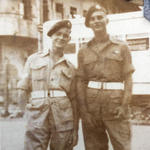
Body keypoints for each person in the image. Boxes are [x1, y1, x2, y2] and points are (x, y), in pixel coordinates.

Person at [76, 5, 134, 150]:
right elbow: (80, 82)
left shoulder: (122, 47)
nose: (97, 21)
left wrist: (124, 105)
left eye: (100, 17)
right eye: (93, 19)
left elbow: (128, 79)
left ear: (107, 20)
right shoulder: (83, 51)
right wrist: (84, 111)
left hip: (115, 107)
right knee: (94, 147)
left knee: (123, 146)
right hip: (92, 109)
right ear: (89, 23)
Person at [16, 20, 78, 150]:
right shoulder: (34, 59)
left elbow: (74, 100)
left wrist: (75, 129)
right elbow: (22, 89)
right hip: (37, 116)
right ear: (51, 36)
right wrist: (26, 114)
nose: (61, 38)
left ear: (69, 39)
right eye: (58, 34)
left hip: (63, 118)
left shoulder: (71, 67)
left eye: (65, 35)